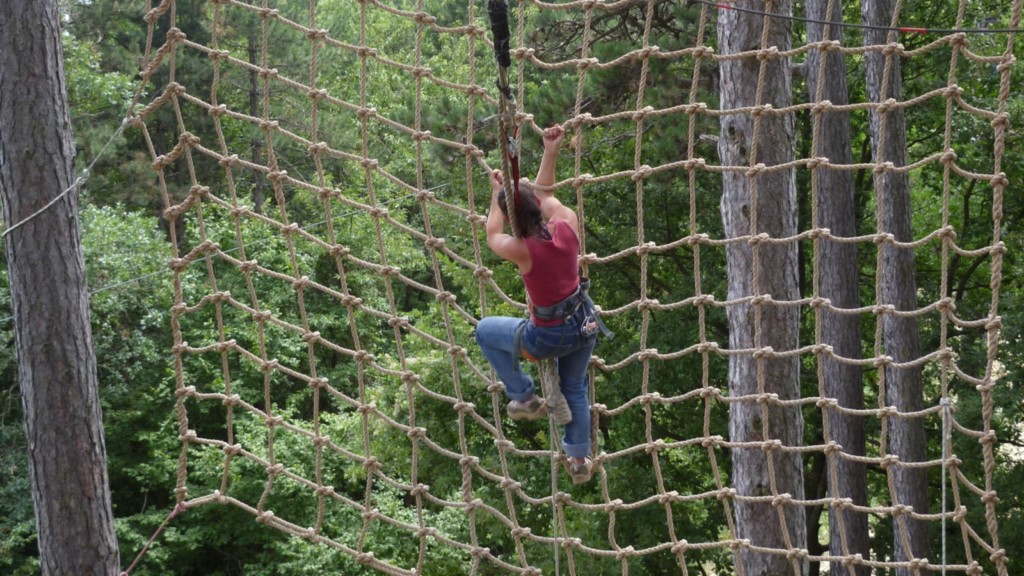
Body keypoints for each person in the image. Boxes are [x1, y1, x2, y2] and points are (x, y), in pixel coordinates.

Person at [475, 123, 602, 484]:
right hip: (584, 324)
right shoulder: (567, 224)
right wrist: (551, 149)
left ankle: (524, 396)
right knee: (574, 387)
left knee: (484, 331)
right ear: (539, 209)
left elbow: (492, 234)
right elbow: (547, 193)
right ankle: (579, 458)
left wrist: (497, 194)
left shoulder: (522, 250)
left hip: (547, 335)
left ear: (514, 219)